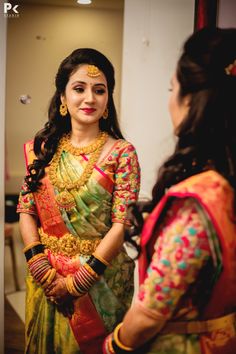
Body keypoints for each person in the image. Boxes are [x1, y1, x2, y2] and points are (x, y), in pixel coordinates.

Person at [103, 27, 236, 354]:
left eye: (171, 88)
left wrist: (115, 345)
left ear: (190, 100)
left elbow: (150, 314)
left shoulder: (198, 202)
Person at [16, 48, 140, 354]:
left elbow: (121, 225)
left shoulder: (122, 153)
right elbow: (26, 210)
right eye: (79, 88)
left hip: (101, 283)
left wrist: (77, 283)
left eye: (100, 91)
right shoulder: (41, 149)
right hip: (45, 278)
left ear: (108, 99)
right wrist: (43, 270)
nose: (90, 99)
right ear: (62, 97)